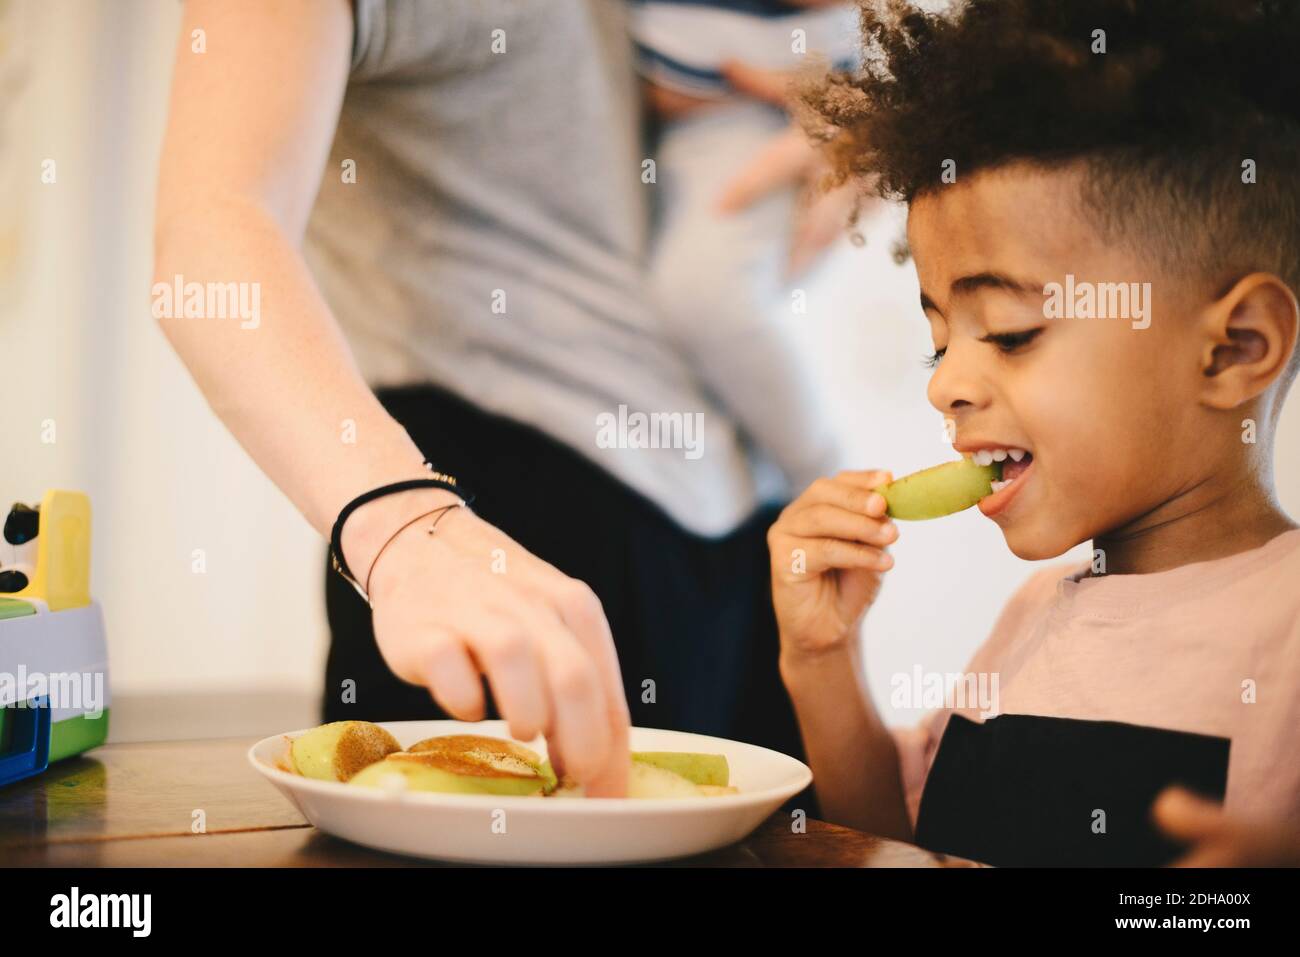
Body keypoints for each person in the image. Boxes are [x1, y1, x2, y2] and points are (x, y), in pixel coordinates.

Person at [153, 0, 829, 796]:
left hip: (735, 534)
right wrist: (404, 526)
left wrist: (843, 143)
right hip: (502, 533)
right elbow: (211, 234)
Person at [768, 0, 1300, 865]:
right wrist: (820, 658)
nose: (945, 384)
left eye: (1011, 332)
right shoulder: (1030, 619)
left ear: (1234, 349)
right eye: (940, 340)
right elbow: (896, 844)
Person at [632, 0, 860, 494]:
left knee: (704, 299)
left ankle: (824, 478)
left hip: (758, 132)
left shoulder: (832, 36)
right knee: (704, 306)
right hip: (693, 142)